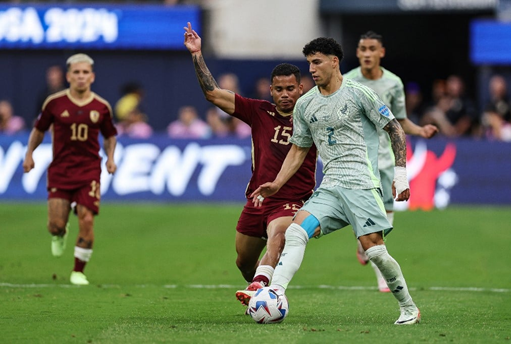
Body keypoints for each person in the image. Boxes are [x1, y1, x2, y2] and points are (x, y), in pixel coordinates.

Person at [251, 37, 420, 325]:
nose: (312, 69)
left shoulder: (358, 94)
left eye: (317, 62)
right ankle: (275, 293)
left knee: (375, 250)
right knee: (296, 231)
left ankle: (408, 308)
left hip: (361, 184)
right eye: (309, 64)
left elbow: (394, 128)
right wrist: (277, 184)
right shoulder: (305, 104)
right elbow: (299, 148)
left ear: (334, 62)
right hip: (330, 188)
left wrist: (401, 175)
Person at [183, 22, 318, 307]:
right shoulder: (258, 111)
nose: (285, 94)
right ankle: (256, 281)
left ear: (301, 88)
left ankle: (263, 287)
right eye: (279, 89)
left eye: (290, 88)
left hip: (292, 200)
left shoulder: (314, 116)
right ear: (270, 90)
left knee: (279, 236)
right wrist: (197, 54)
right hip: (258, 199)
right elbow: (213, 94)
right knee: (244, 262)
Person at [343, 31, 438, 293]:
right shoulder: (346, 81)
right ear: (358, 52)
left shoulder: (394, 83)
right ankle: (376, 266)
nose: (366, 54)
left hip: (384, 160)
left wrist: (420, 131)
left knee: (386, 222)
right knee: (363, 220)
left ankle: (370, 255)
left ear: (381, 52)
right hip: (354, 160)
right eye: (362, 49)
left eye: (372, 49)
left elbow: (400, 121)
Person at [22, 53, 118, 286]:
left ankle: (78, 271)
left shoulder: (101, 107)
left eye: (85, 72)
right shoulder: (54, 103)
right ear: (68, 76)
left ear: (92, 77)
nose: (81, 76)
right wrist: (29, 154)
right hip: (61, 170)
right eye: (76, 72)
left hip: (88, 171)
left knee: (86, 218)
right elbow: (39, 130)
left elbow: (110, 135)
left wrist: (110, 158)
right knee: (54, 225)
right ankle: (59, 232)